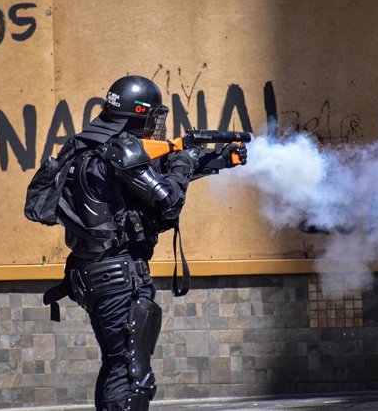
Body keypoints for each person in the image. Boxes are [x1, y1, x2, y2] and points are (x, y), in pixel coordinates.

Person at [41, 75, 247, 411]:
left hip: (94, 273)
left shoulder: (92, 147)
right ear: (139, 115)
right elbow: (168, 201)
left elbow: (146, 184)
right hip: (118, 277)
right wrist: (183, 159)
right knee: (133, 379)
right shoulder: (121, 151)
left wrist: (212, 161)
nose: (157, 126)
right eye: (153, 118)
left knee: (117, 366)